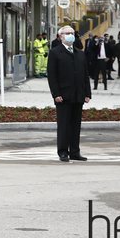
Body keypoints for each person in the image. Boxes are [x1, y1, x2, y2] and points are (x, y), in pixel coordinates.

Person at [48, 25, 92, 162]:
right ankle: (62, 151)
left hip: (78, 95)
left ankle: (75, 151)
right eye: (67, 33)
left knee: (75, 125)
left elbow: (85, 74)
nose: (70, 35)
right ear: (60, 36)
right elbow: (52, 76)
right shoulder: (55, 53)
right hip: (63, 96)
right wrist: (56, 94)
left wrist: (87, 93)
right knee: (64, 125)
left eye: (72, 33)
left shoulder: (80, 53)